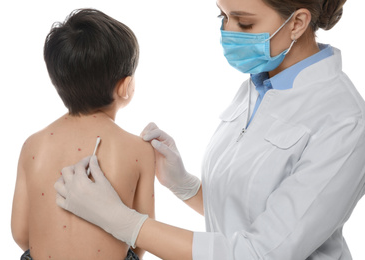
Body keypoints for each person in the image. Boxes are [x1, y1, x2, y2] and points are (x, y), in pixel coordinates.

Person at [54, 0, 365, 259]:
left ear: (297, 22)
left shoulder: (343, 121)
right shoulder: (259, 85)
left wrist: (122, 221)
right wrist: (185, 185)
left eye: (244, 24)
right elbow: (249, 211)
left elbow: (260, 252)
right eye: (223, 16)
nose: (228, 32)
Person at [11, 8, 155, 260]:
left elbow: (21, 233)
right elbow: (142, 239)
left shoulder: (33, 146)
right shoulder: (138, 150)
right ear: (125, 86)